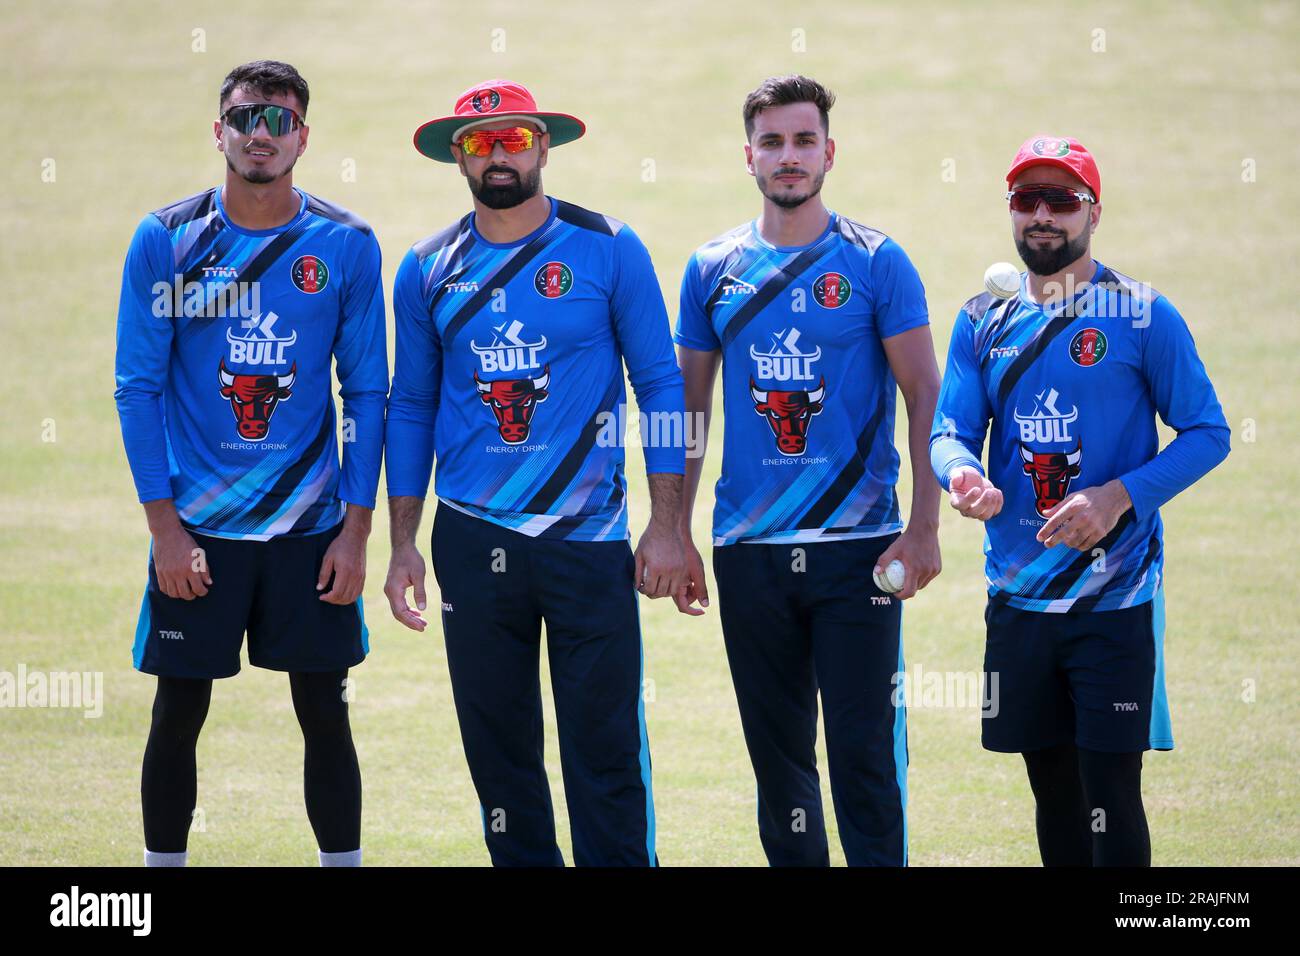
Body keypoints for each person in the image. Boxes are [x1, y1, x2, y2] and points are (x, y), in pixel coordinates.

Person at [384, 80, 688, 866]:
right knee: (498, 755)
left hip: (587, 543)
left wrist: (667, 524)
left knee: (606, 749)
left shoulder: (608, 245)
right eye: (480, 142)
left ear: (544, 146)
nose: (498, 155)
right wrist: (405, 541)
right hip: (472, 539)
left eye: (513, 137)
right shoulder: (424, 268)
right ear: (458, 155)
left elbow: (660, 385)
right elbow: (411, 405)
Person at [114, 60, 387, 867]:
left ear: (303, 134)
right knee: (178, 710)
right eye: (244, 118)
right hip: (199, 530)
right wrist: (165, 529)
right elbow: (137, 389)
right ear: (219, 130)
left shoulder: (344, 244)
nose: (259, 134)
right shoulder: (166, 240)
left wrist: (357, 533)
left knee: (325, 712)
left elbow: (367, 393)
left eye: (278, 120)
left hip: (311, 532)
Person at [929, 135, 1231, 866]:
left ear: (1094, 212)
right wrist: (962, 475)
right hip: (1019, 599)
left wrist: (1120, 495)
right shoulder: (980, 320)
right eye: (1026, 200)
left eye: (1061, 201)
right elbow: (949, 431)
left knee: (1110, 792)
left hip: (1114, 604)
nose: (1042, 216)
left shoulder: (1142, 315)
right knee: (1052, 789)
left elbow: (1207, 433)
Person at [674, 75, 942, 866]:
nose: (788, 157)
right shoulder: (711, 267)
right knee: (779, 763)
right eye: (771, 142)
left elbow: (925, 394)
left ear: (829, 150)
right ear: (747, 156)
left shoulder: (875, 261)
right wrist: (673, 530)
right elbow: (688, 412)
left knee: (864, 756)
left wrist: (923, 529)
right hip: (748, 550)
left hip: (860, 547)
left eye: (802, 141)